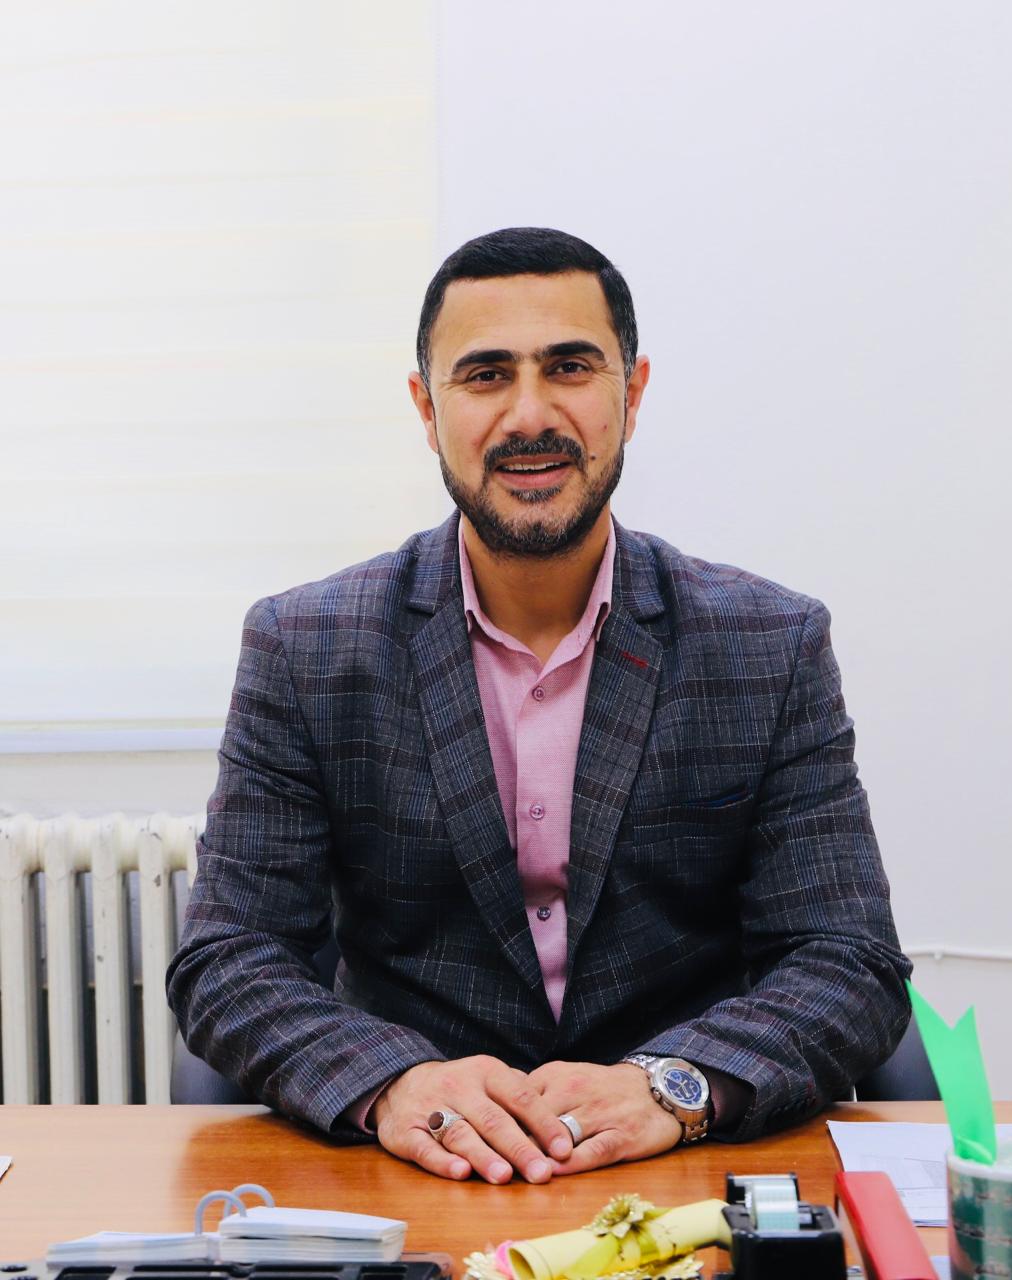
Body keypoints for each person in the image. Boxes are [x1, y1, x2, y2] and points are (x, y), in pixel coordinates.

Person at [167, 226, 911, 1186]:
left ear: (631, 395)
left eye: (569, 367)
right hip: (418, 1168)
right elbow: (230, 958)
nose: (529, 415)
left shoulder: (766, 642)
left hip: (679, 1164)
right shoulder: (305, 645)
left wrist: (671, 1086)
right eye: (485, 375)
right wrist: (393, 1083)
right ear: (426, 408)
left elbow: (846, 959)